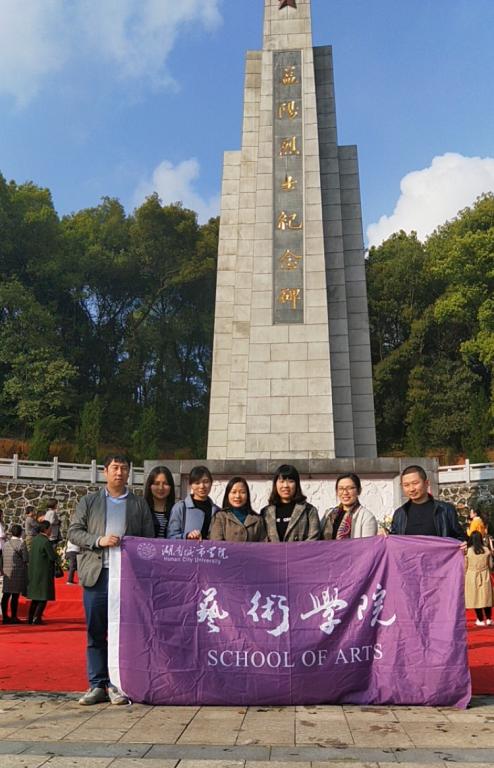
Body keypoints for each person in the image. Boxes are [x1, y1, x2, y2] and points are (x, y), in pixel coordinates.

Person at [68, 453, 155, 706]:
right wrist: (99, 540)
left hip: (126, 578)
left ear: (129, 473)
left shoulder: (138, 504)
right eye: (115, 468)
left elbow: (148, 539)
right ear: (105, 472)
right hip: (97, 575)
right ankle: (97, 684)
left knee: (123, 632)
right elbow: (74, 532)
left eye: (124, 468)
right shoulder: (89, 501)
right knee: (95, 632)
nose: (119, 472)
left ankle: (118, 684)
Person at [390, 465, 466, 543]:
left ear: (426, 483)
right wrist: (384, 534)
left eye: (415, 483)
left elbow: (460, 538)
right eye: (406, 485)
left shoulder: (446, 510)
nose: (411, 489)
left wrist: (463, 544)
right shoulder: (399, 514)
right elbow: (393, 541)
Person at [261, 464, 320, 542]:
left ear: (297, 484)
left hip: (301, 550)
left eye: (290, 481)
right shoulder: (266, 512)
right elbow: (262, 540)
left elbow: (314, 538)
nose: (285, 485)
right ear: (275, 484)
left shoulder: (309, 511)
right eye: (281, 481)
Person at [167, 465, 219, 540]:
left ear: (211, 483)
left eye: (206, 482)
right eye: (197, 483)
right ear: (191, 485)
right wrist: (187, 536)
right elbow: (171, 537)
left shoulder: (217, 511)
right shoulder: (180, 508)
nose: (202, 486)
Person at [321, 473, 378, 540]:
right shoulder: (329, 514)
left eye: (350, 488)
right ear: (336, 491)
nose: (345, 492)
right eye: (341, 488)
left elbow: (367, 545)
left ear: (359, 490)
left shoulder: (367, 517)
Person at [209, 476, 266, 542]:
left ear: (247, 495)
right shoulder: (220, 517)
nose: (237, 496)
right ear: (227, 495)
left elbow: (263, 545)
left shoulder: (258, 520)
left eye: (242, 492)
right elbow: (216, 544)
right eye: (234, 492)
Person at [27, 520, 55, 625]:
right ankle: (37, 618)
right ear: (46, 529)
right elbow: (52, 557)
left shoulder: (35, 539)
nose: (51, 531)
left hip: (34, 571)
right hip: (44, 572)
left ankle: (30, 618)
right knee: (43, 596)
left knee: (35, 597)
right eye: (50, 529)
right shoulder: (45, 541)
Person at [1, 524, 28, 624]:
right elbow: (26, 558)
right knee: (15, 596)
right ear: (20, 533)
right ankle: (13, 617)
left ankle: (5, 617)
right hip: (18, 571)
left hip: (7, 571)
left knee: (6, 594)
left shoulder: (6, 544)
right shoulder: (21, 544)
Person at [465, 531, 493, 626]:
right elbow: (491, 565)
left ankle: (480, 620)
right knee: (486, 597)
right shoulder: (487, 550)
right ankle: (489, 619)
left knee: (475, 598)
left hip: (472, 576)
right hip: (485, 575)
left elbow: (465, 566)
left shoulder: (468, 551)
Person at [144, 465, 176, 538]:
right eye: (156, 483)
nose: (161, 488)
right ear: (150, 486)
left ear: (171, 487)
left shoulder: (176, 510)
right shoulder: (142, 509)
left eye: (165, 484)